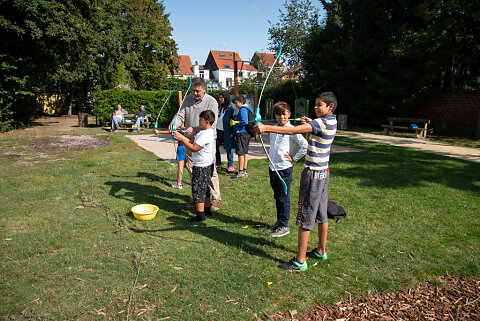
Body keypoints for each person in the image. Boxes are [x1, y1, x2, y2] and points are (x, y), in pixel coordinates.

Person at [255, 92, 338, 271]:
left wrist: (267, 128)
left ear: (330, 107)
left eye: (319, 105)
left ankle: (300, 261)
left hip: (313, 174)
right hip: (324, 172)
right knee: (322, 214)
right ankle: (321, 250)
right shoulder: (331, 121)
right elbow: (315, 130)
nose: (316, 108)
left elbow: (292, 130)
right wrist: (311, 123)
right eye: (315, 105)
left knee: (305, 216)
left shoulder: (320, 123)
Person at [169, 77, 221, 210]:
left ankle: (215, 198)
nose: (195, 94)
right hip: (191, 139)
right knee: (193, 169)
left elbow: (212, 123)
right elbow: (180, 114)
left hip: (207, 140)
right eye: (193, 91)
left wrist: (196, 129)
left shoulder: (211, 101)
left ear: (204, 89)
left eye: (198, 91)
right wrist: (174, 124)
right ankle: (197, 195)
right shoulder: (187, 99)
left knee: (210, 169)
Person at [266, 102, 308, 238]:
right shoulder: (274, 128)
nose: (281, 117)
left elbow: (304, 145)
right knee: (277, 196)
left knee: (284, 197)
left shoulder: (292, 129)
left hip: (284, 169)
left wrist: (294, 158)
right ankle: (279, 221)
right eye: (278, 115)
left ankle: (285, 225)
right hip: (273, 167)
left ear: (289, 114)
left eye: (284, 114)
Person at [174, 110, 215, 222]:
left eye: (200, 120)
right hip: (207, 165)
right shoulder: (205, 131)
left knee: (198, 190)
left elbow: (194, 148)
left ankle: (200, 215)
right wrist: (184, 137)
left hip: (202, 166)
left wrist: (182, 140)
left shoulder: (205, 134)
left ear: (206, 122)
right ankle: (207, 209)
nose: (198, 122)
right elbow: (192, 141)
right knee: (205, 188)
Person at [231, 95, 253, 179]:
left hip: (242, 133)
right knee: (245, 152)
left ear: (241, 102)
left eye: (236, 103)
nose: (236, 105)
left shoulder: (243, 109)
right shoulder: (248, 108)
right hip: (246, 133)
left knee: (240, 153)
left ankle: (240, 172)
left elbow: (244, 121)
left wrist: (236, 123)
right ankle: (244, 170)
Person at [215, 92, 237, 172]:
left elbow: (235, 121)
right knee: (215, 146)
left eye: (221, 98)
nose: (220, 99)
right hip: (218, 130)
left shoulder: (232, 107)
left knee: (229, 148)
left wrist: (233, 133)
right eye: (219, 97)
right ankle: (218, 162)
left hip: (227, 131)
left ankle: (230, 165)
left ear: (226, 98)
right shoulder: (220, 106)